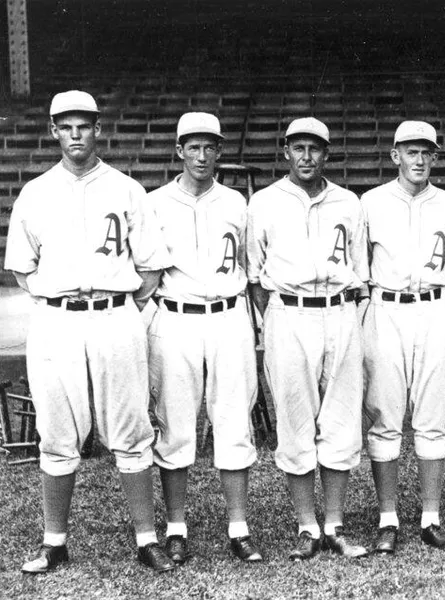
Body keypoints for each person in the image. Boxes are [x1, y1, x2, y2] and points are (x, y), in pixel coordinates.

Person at [5, 90, 174, 573]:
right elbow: (22, 268)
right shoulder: (35, 192)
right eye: (66, 126)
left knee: (130, 429)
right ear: (54, 131)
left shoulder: (126, 189)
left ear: (98, 129)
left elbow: (150, 268)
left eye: (84, 125)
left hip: (115, 316)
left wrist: (119, 306)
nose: (76, 134)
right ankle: (53, 541)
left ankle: (146, 538)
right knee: (57, 433)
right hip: (57, 321)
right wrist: (57, 297)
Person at [246, 117, 369, 560]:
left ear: (327, 154)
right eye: (298, 148)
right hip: (289, 312)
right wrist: (278, 317)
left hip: (339, 310)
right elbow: (255, 276)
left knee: (340, 419)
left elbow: (360, 270)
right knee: (295, 419)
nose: (306, 157)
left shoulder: (348, 202)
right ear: (285, 152)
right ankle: (306, 526)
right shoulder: (264, 202)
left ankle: (334, 524)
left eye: (315, 149)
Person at [146, 112, 262, 564]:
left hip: (229, 314)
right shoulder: (154, 202)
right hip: (175, 316)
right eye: (192, 146)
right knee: (175, 424)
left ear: (220, 151)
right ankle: (176, 527)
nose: (201, 155)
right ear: (179, 150)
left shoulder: (237, 202)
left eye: (209, 146)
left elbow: (251, 269)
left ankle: (239, 527)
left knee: (234, 419)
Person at [361, 121, 445, 554]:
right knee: (385, 415)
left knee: (432, 415)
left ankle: (431, 517)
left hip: (436, 308)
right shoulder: (371, 202)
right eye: (410, 152)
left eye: (426, 153)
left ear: (435, 157)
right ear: (394, 155)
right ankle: (387, 518)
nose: (419, 160)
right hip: (387, 309)